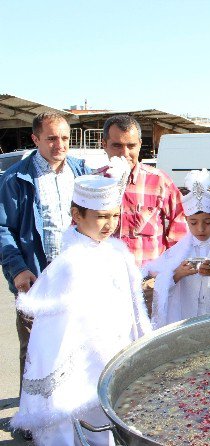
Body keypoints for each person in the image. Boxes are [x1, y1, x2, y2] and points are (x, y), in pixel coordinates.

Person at [11, 171, 152, 446]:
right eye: (100, 216)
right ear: (77, 215)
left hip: (114, 352)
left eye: (114, 215)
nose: (109, 224)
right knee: (80, 423)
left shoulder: (116, 253)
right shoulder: (69, 264)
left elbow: (132, 309)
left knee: (110, 419)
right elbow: (54, 335)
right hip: (81, 364)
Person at [0, 113, 89, 413]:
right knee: (34, 347)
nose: (59, 144)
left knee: (73, 341)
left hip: (75, 278)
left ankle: (67, 407)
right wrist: (18, 270)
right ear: (35, 139)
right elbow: (3, 229)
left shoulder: (80, 172)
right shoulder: (15, 179)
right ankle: (31, 414)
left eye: (64, 138)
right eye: (51, 138)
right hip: (36, 278)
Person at [101, 114, 188, 314]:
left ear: (140, 144)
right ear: (104, 144)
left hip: (150, 287)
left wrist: (165, 277)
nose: (125, 153)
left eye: (131, 146)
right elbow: (79, 236)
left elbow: (180, 236)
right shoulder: (93, 185)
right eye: (117, 146)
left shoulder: (159, 182)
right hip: (106, 289)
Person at [146, 169, 210, 328]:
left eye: (207, 222)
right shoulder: (178, 252)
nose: (200, 229)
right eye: (193, 223)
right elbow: (160, 287)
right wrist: (178, 274)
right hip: (186, 325)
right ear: (186, 220)